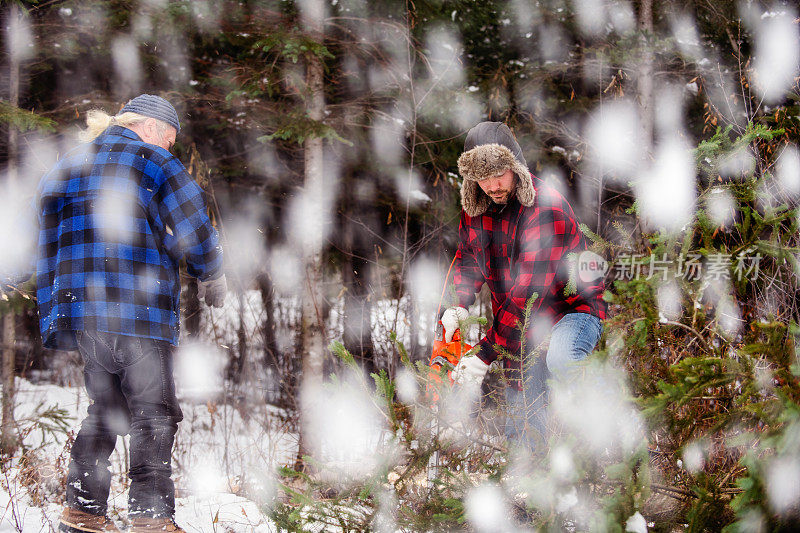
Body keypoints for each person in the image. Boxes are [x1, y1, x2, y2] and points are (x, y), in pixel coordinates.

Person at [33, 94, 227, 533]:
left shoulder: (69, 163)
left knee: (104, 408)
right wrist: (211, 272)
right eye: (171, 139)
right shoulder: (155, 160)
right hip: (138, 310)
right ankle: (152, 519)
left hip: (82, 312)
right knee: (153, 412)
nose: (170, 148)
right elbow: (194, 223)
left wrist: (18, 275)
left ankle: (82, 514)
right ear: (153, 128)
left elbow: (35, 223)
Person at [442, 121, 607, 452]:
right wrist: (458, 305)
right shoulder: (474, 209)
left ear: (515, 167)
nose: (492, 185)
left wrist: (485, 353)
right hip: (521, 324)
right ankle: (531, 485)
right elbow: (467, 260)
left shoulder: (546, 206)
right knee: (523, 416)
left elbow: (529, 294)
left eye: (499, 173)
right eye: (482, 177)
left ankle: (608, 423)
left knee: (560, 360)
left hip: (571, 310)